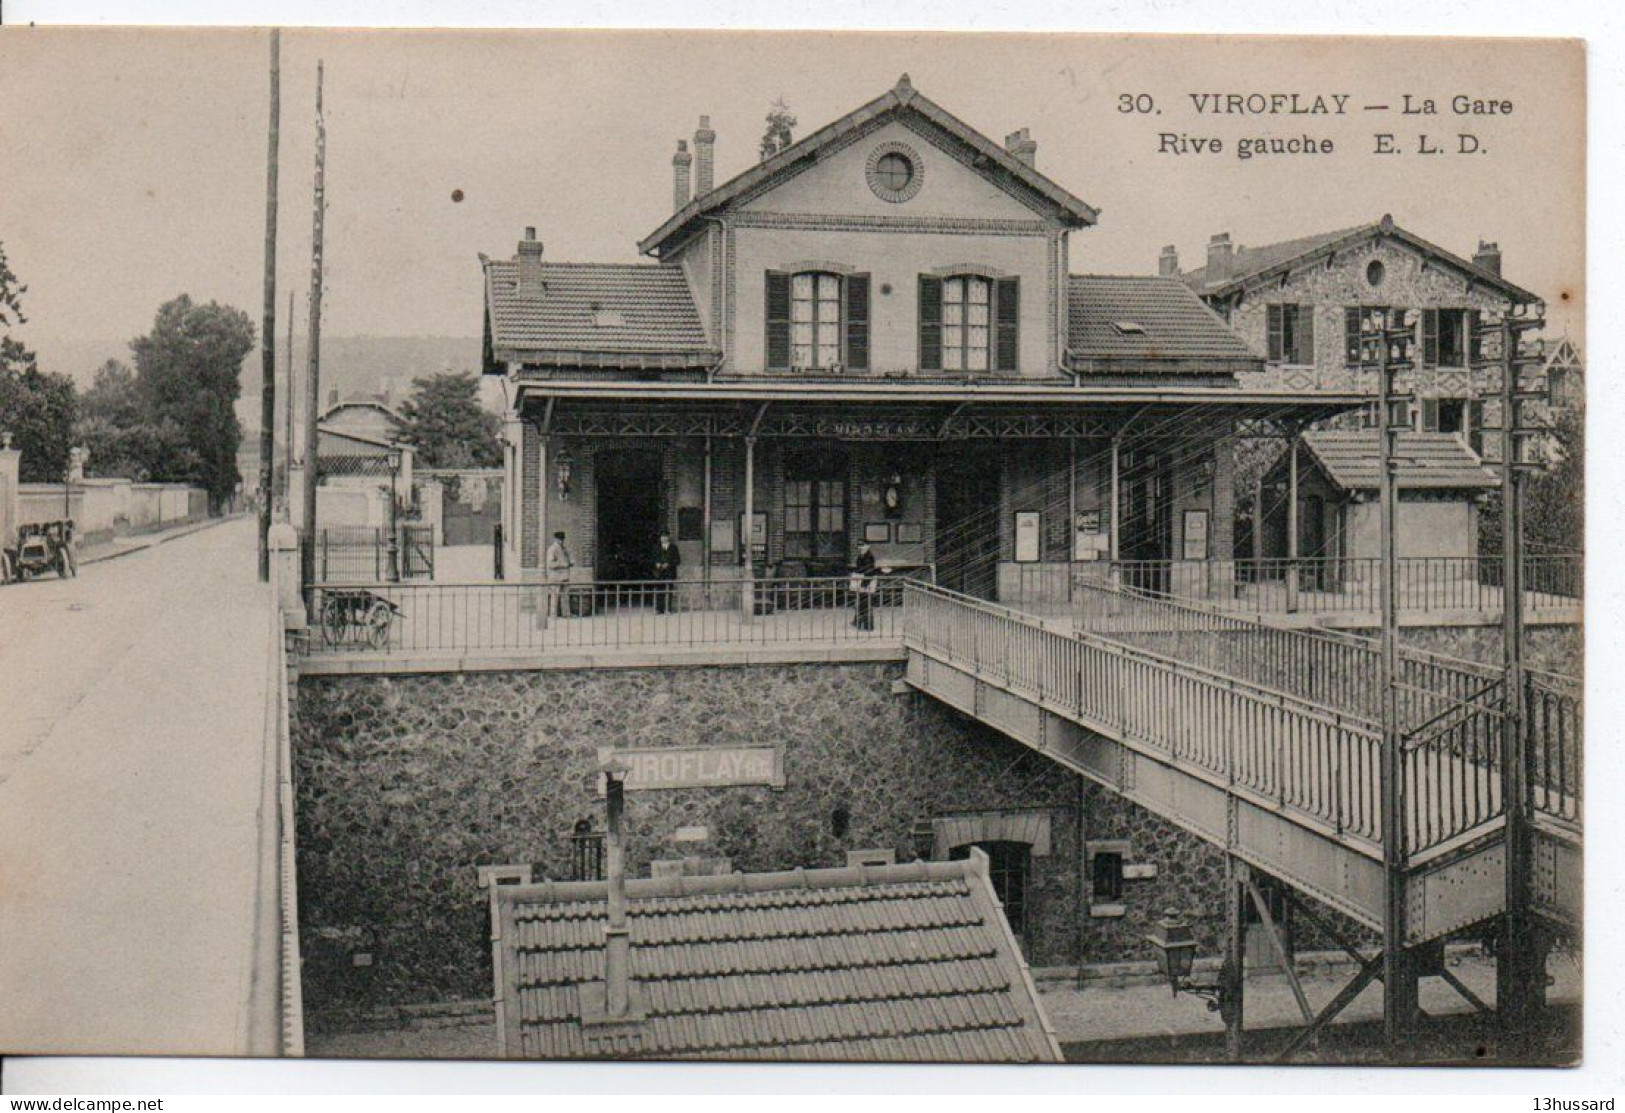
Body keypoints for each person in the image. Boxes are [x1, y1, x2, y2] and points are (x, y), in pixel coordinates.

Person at [850, 540, 879, 631]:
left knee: (865, 603)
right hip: (862, 580)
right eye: (859, 545)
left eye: (863, 545)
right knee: (862, 602)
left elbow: (869, 571)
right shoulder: (862, 556)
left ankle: (867, 625)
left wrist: (864, 583)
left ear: (868, 546)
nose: (860, 547)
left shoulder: (869, 557)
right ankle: (860, 622)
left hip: (866, 581)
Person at [544, 530, 573, 619]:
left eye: (562, 539)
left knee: (565, 596)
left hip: (564, 576)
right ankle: (553, 615)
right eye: (559, 539)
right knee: (554, 596)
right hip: (555, 576)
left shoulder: (564, 548)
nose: (561, 541)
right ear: (555, 539)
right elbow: (550, 564)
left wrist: (570, 562)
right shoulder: (552, 549)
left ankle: (566, 614)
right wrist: (562, 564)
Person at [653, 532, 681, 614]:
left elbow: (678, 560)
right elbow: (653, 558)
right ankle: (659, 609)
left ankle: (668, 609)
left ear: (668, 537)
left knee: (668, 590)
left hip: (669, 573)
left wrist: (669, 564)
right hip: (659, 573)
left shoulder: (673, 548)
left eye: (665, 536)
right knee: (659, 591)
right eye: (662, 537)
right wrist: (656, 563)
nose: (663, 538)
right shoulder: (657, 548)